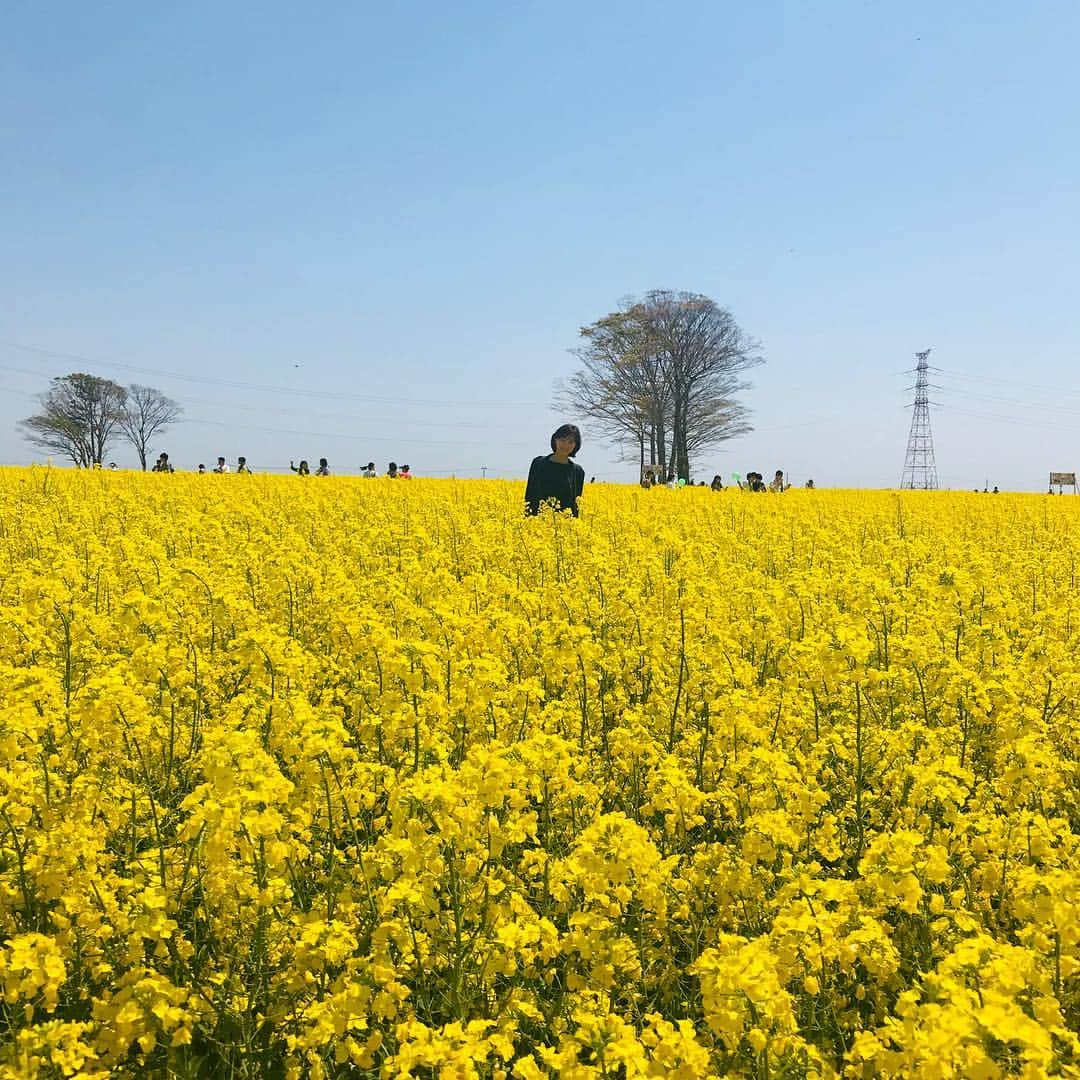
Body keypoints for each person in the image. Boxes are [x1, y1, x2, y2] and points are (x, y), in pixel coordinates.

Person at [525, 423, 585, 516]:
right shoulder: (539, 463)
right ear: (555, 440)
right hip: (538, 523)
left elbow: (575, 505)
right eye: (562, 440)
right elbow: (530, 496)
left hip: (564, 525)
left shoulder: (577, 472)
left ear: (575, 445)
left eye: (570, 442)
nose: (566, 445)